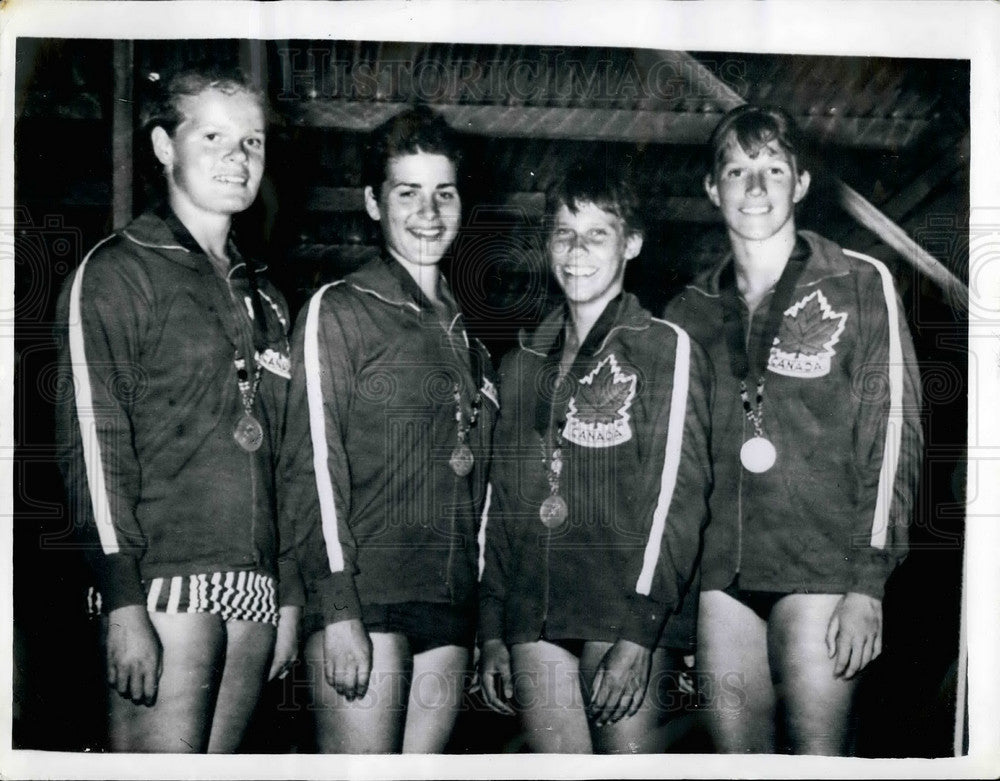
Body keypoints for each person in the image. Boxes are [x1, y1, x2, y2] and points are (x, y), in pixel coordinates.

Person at [54, 63, 301, 752]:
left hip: (252, 589)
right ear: (164, 146)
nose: (238, 157)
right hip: (162, 581)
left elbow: (289, 465)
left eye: (251, 141)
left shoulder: (272, 300)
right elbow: (92, 446)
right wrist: (123, 597)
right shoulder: (115, 271)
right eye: (214, 136)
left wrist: (289, 596)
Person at [664, 104, 923, 755]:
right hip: (721, 581)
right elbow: (676, 469)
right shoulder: (686, 313)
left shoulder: (859, 284)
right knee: (736, 767)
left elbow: (891, 438)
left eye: (772, 169)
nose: (755, 187)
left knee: (817, 765)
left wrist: (868, 581)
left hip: (820, 571)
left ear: (801, 183)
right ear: (711, 187)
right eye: (738, 170)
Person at [280, 106, 497, 753]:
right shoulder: (341, 307)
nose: (428, 211)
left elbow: (481, 498)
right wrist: (339, 606)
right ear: (373, 202)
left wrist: (484, 622)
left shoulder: (470, 337)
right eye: (407, 192)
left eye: (444, 192)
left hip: (448, 607)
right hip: (367, 597)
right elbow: (311, 466)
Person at [477, 162, 712, 753]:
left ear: (631, 242)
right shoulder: (522, 361)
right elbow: (500, 508)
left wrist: (640, 634)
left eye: (597, 233)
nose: (577, 250)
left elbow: (675, 502)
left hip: (621, 615)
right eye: (563, 233)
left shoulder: (662, 347)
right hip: (532, 616)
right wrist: (492, 631)